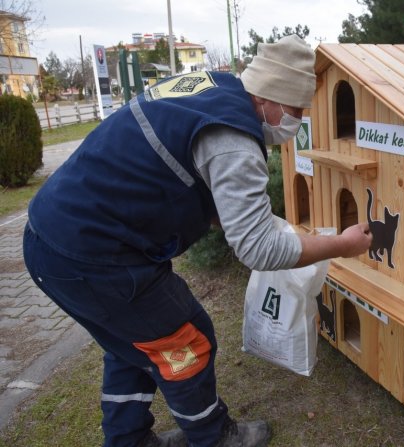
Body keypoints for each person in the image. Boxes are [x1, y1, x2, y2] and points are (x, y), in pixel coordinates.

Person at [23, 35, 372, 447]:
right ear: (269, 97)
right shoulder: (234, 140)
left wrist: (253, 219)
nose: (295, 121)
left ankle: (128, 440)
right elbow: (256, 249)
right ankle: (213, 436)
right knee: (186, 338)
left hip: (53, 236)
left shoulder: (211, 90)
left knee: (133, 344)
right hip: (93, 254)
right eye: (295, 110)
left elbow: (183, 175)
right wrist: (342, 245)